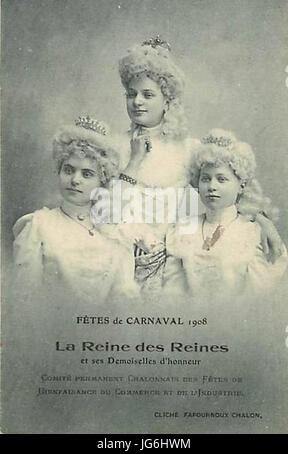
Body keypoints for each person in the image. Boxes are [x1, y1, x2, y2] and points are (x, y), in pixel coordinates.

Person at [117, 36, 283, 299]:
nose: (138, 102)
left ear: (168, 100)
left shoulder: (189, 148)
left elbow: (234, 190)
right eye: (131, 94)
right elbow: (102, 209)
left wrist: (264, 222)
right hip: (123, 258)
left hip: (178, 260)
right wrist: (133, 162)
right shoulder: (114, 148)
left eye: (148, 94)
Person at [13, 116, 138, 302]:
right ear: (59, 170)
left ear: (102, 181)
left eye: (87, 174)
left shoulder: (115, 231)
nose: (75, 180)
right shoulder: (39, 225)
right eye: (69, 170)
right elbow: (25, 296)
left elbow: (125, 299)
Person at [167, 129, 287, 297]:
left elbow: (259, 299)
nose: (211, 186)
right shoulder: (181, 229)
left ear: (241, 185)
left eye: (221, 179)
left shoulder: (254, 233)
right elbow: (171, 295)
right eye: (205, 178)